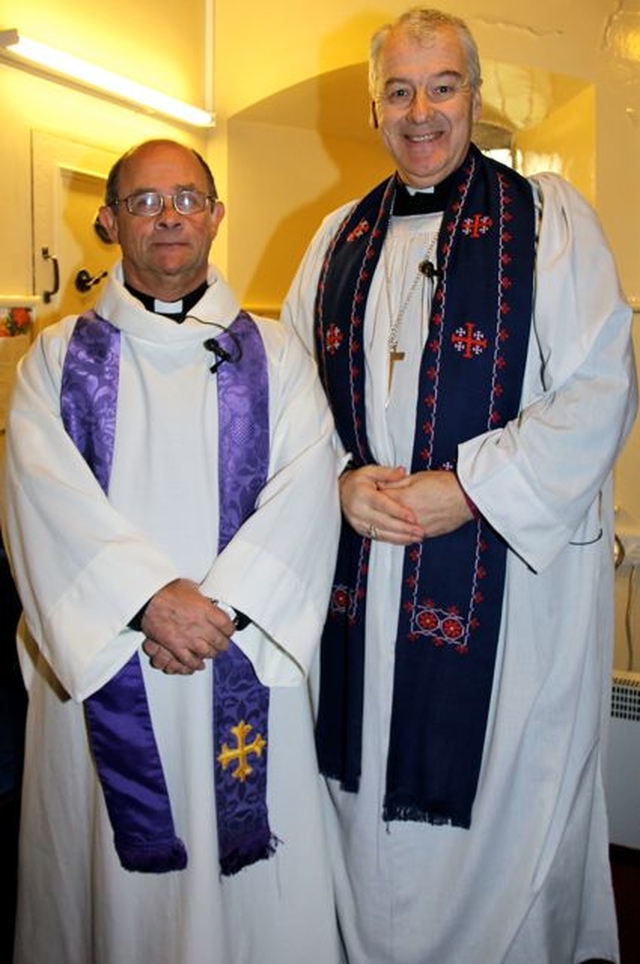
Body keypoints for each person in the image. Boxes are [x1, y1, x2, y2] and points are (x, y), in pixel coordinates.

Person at [281, 8, 637, 963]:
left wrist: (470, 488)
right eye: (399, 90)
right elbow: (291, 410)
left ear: (475, 98)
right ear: (375, 108)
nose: (422, 110)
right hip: (368, 578)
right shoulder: (334, 241)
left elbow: (602, 386)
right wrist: (341, 480)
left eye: (442, 87)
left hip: (504, 595)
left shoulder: (551, 224)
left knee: (502, 811)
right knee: (365, 822)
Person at [2, 138, 344, 964]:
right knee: (110, 891)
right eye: (146, 202)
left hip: (242, 654)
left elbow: (307, 491)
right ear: (109, 218)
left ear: (217, 215)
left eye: (187, 198)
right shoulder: (53, 360)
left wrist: (218, 612)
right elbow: (41, 500)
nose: (169, 217)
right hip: (110, 656)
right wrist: (149, 602)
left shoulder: (279, 355)